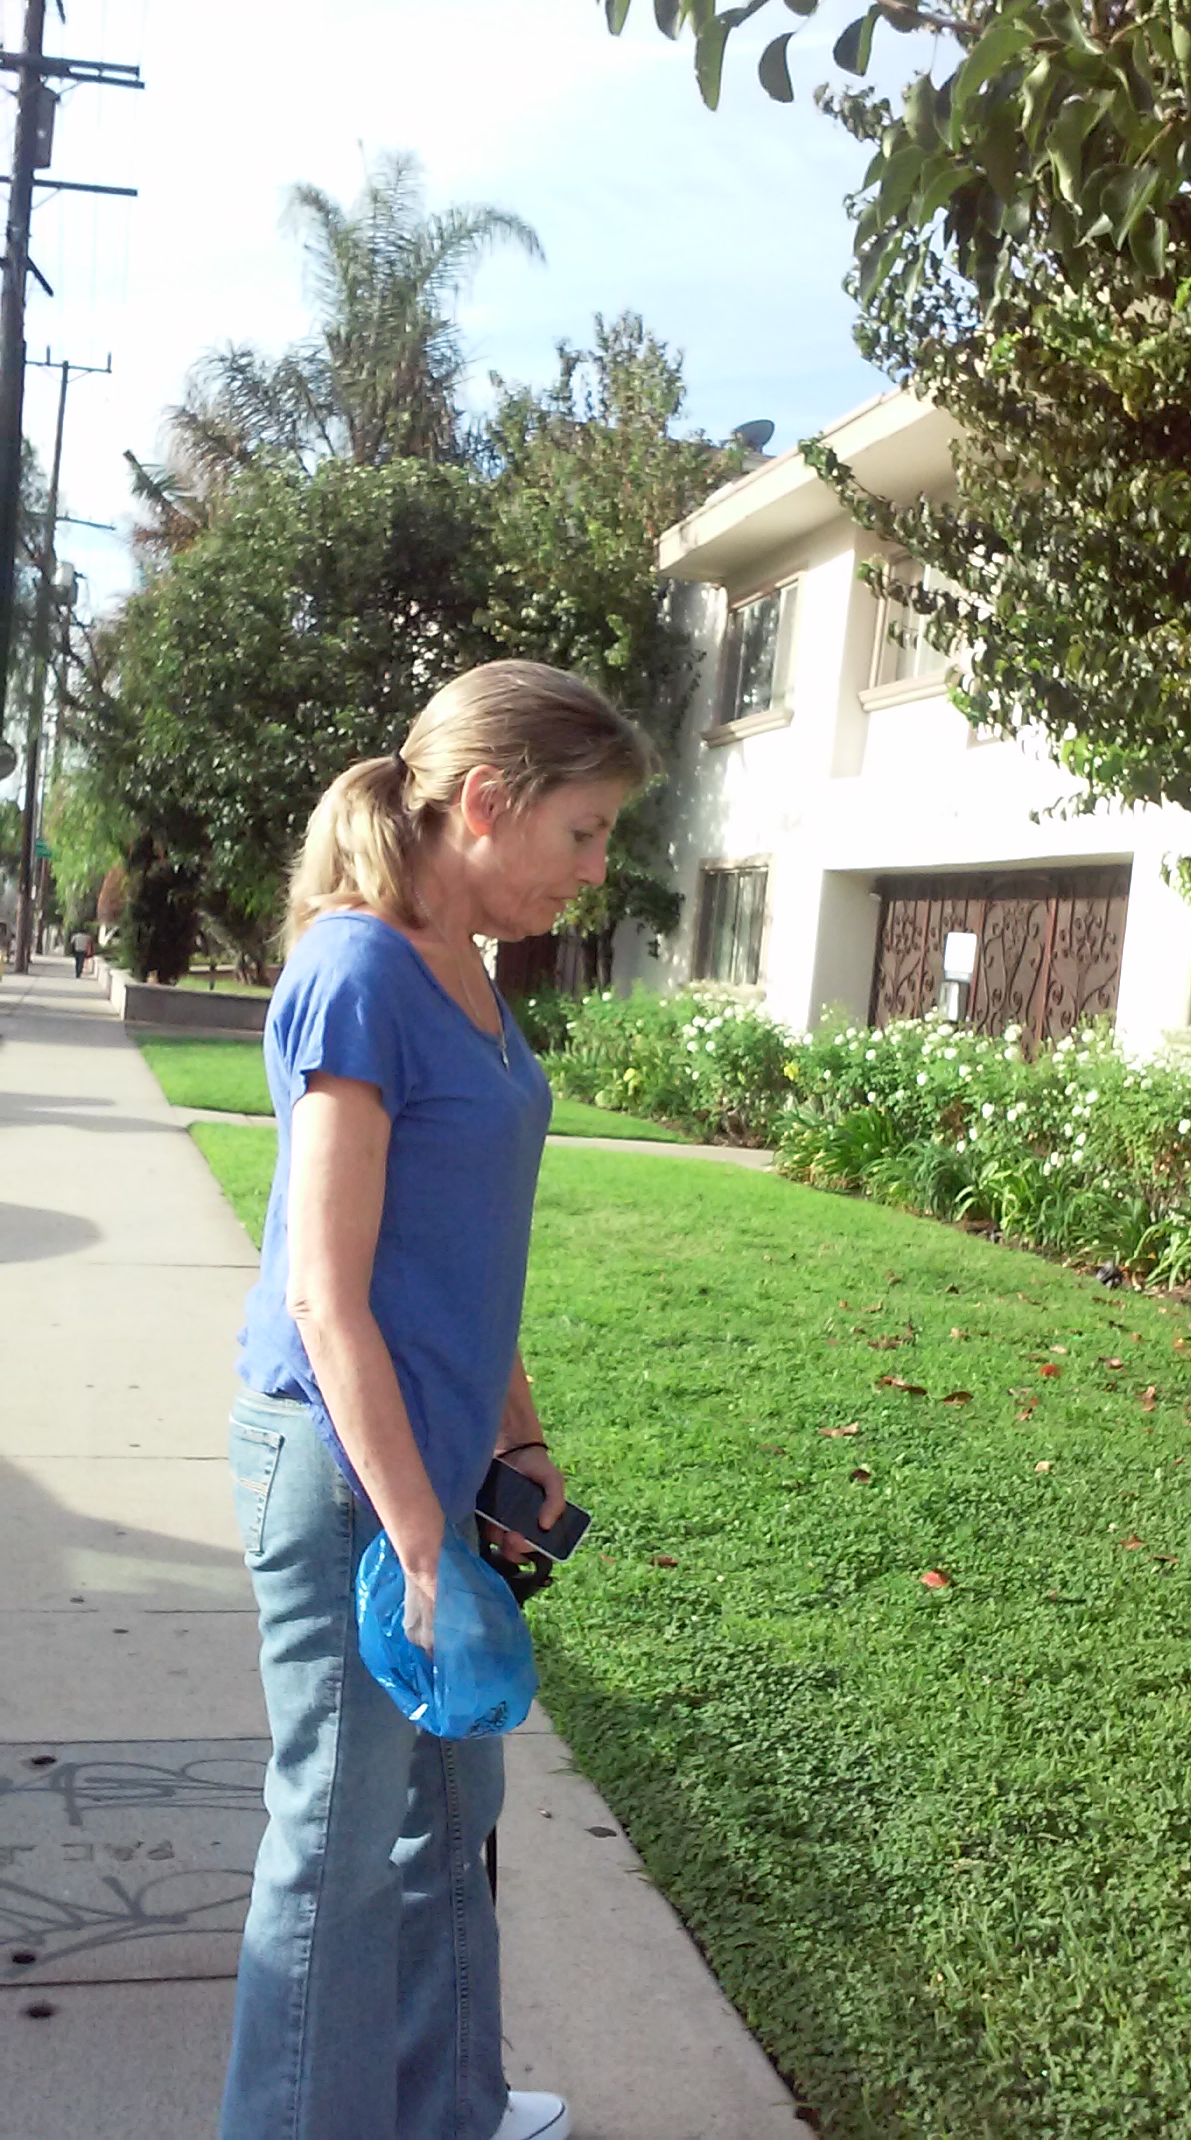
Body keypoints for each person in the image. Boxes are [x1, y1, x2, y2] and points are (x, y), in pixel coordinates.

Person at [221, 661, 651, 2140]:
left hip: (439, 1463)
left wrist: (514, 1436)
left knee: (452, 1814)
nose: (592, 871)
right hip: (347, 1465)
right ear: (486, 800)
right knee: (336, 1846)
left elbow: (466, 1253)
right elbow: (325, 1296)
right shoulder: (358, 971)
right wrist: (415, 1541)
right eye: (582, 832)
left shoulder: (470, 971)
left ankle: (444, 2109)